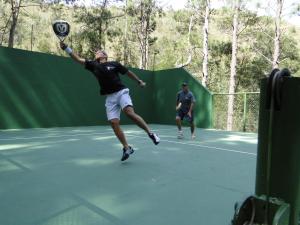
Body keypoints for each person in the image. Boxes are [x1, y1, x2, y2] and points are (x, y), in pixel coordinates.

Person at [59, 42, 160, 161]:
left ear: (104, 55)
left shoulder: (114, 64)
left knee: (129, 112)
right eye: (96, 52)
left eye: (99, 52)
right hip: (110, 98)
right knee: (113, 123)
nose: (96, 53)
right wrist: (66, 48)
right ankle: (127, 148)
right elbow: (76, 58)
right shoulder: (93, 65)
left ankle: (151, 134)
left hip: (121, 92)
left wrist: (139, 81)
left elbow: (128, 73)